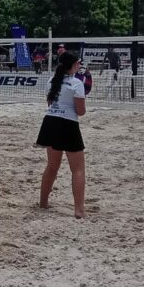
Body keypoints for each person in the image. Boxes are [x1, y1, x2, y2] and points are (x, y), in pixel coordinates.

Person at [36, 51, 87, 219]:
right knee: (78, 169)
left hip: (50, 122)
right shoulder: (76, 83)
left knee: (52, 165)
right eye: (78, 63)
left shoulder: (52, 80)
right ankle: (79, 210)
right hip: (68, 124)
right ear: (72, 65)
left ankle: (43, 202)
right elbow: (80, 112)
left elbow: (50, 103)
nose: (80, 65)